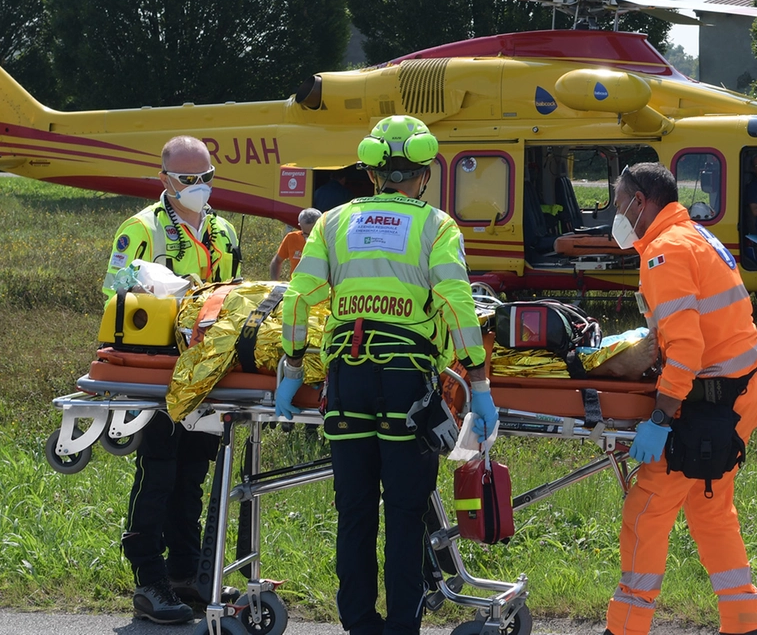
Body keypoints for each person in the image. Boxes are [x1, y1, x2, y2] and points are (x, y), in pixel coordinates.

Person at [275, 115, 494, 635]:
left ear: (372, 173)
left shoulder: (331, 222)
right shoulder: (436, 226)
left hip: (346, 382)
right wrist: (480, 387)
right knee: (403, 512)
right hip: (407, 386)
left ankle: (358, 623)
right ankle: (401, 626)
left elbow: (297, 299)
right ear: (423, 174)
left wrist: (290, 368)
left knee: (353, 510)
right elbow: (460, 307)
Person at [606, 162, 757, 635]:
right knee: (709, 506)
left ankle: (625, 628)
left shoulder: (665, 252)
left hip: (714, 399)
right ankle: (744, 623)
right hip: (741, 390)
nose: (615, 214)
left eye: (619, 204)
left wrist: (660, 417)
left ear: (641, 202)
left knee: (647, 510)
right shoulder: (694, 235)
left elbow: (687, 350)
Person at [103, 135, 242, 625]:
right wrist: (155, 288)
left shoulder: (223, 232)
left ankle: (185, 573)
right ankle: (148, 578)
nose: (199, 188)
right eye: (189, 180)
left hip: (207, 369)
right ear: (165, 179)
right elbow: (112, 285)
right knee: (158, 472)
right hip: (159, 368)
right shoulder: (143, 228)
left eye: (206, 178)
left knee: (194, 475)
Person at [269, 208, 322, 280]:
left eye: (313, 234)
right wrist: (275, 281)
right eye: (306, 234)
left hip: (320, 288)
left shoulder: (328, 241)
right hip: (296, 288)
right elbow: (277, 261)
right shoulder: (291, 238)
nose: (310, 238)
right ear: (300, 226)